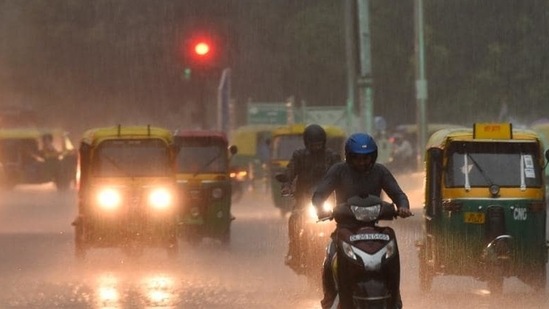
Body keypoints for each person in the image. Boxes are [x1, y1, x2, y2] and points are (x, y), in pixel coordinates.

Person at [312, 133, 413, 309]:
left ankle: (394, 298)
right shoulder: (338, 170)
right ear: (349, 157)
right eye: (357, 158)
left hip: (374, 231)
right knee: (330, 260)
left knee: (390, 237)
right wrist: (320, 208)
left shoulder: (380, 171)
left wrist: (403, 206)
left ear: (373, 156)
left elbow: (398, 194)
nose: (362, 162)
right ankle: (331, 300)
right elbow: (319, 194)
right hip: (344, 230)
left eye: (366, 158)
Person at [280, 124, 341, 269]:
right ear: (307, 143)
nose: (316, 147)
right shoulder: (299, 156)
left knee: (343, 220)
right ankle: (293, 252)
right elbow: (290, 171)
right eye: (313, 144)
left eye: (319, 144)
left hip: (327, 200)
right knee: (293, 219)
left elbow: (341, 173)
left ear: (324, 142)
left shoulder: (332, 157)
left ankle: (344, 251)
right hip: (303, 200)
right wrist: (287, 184)